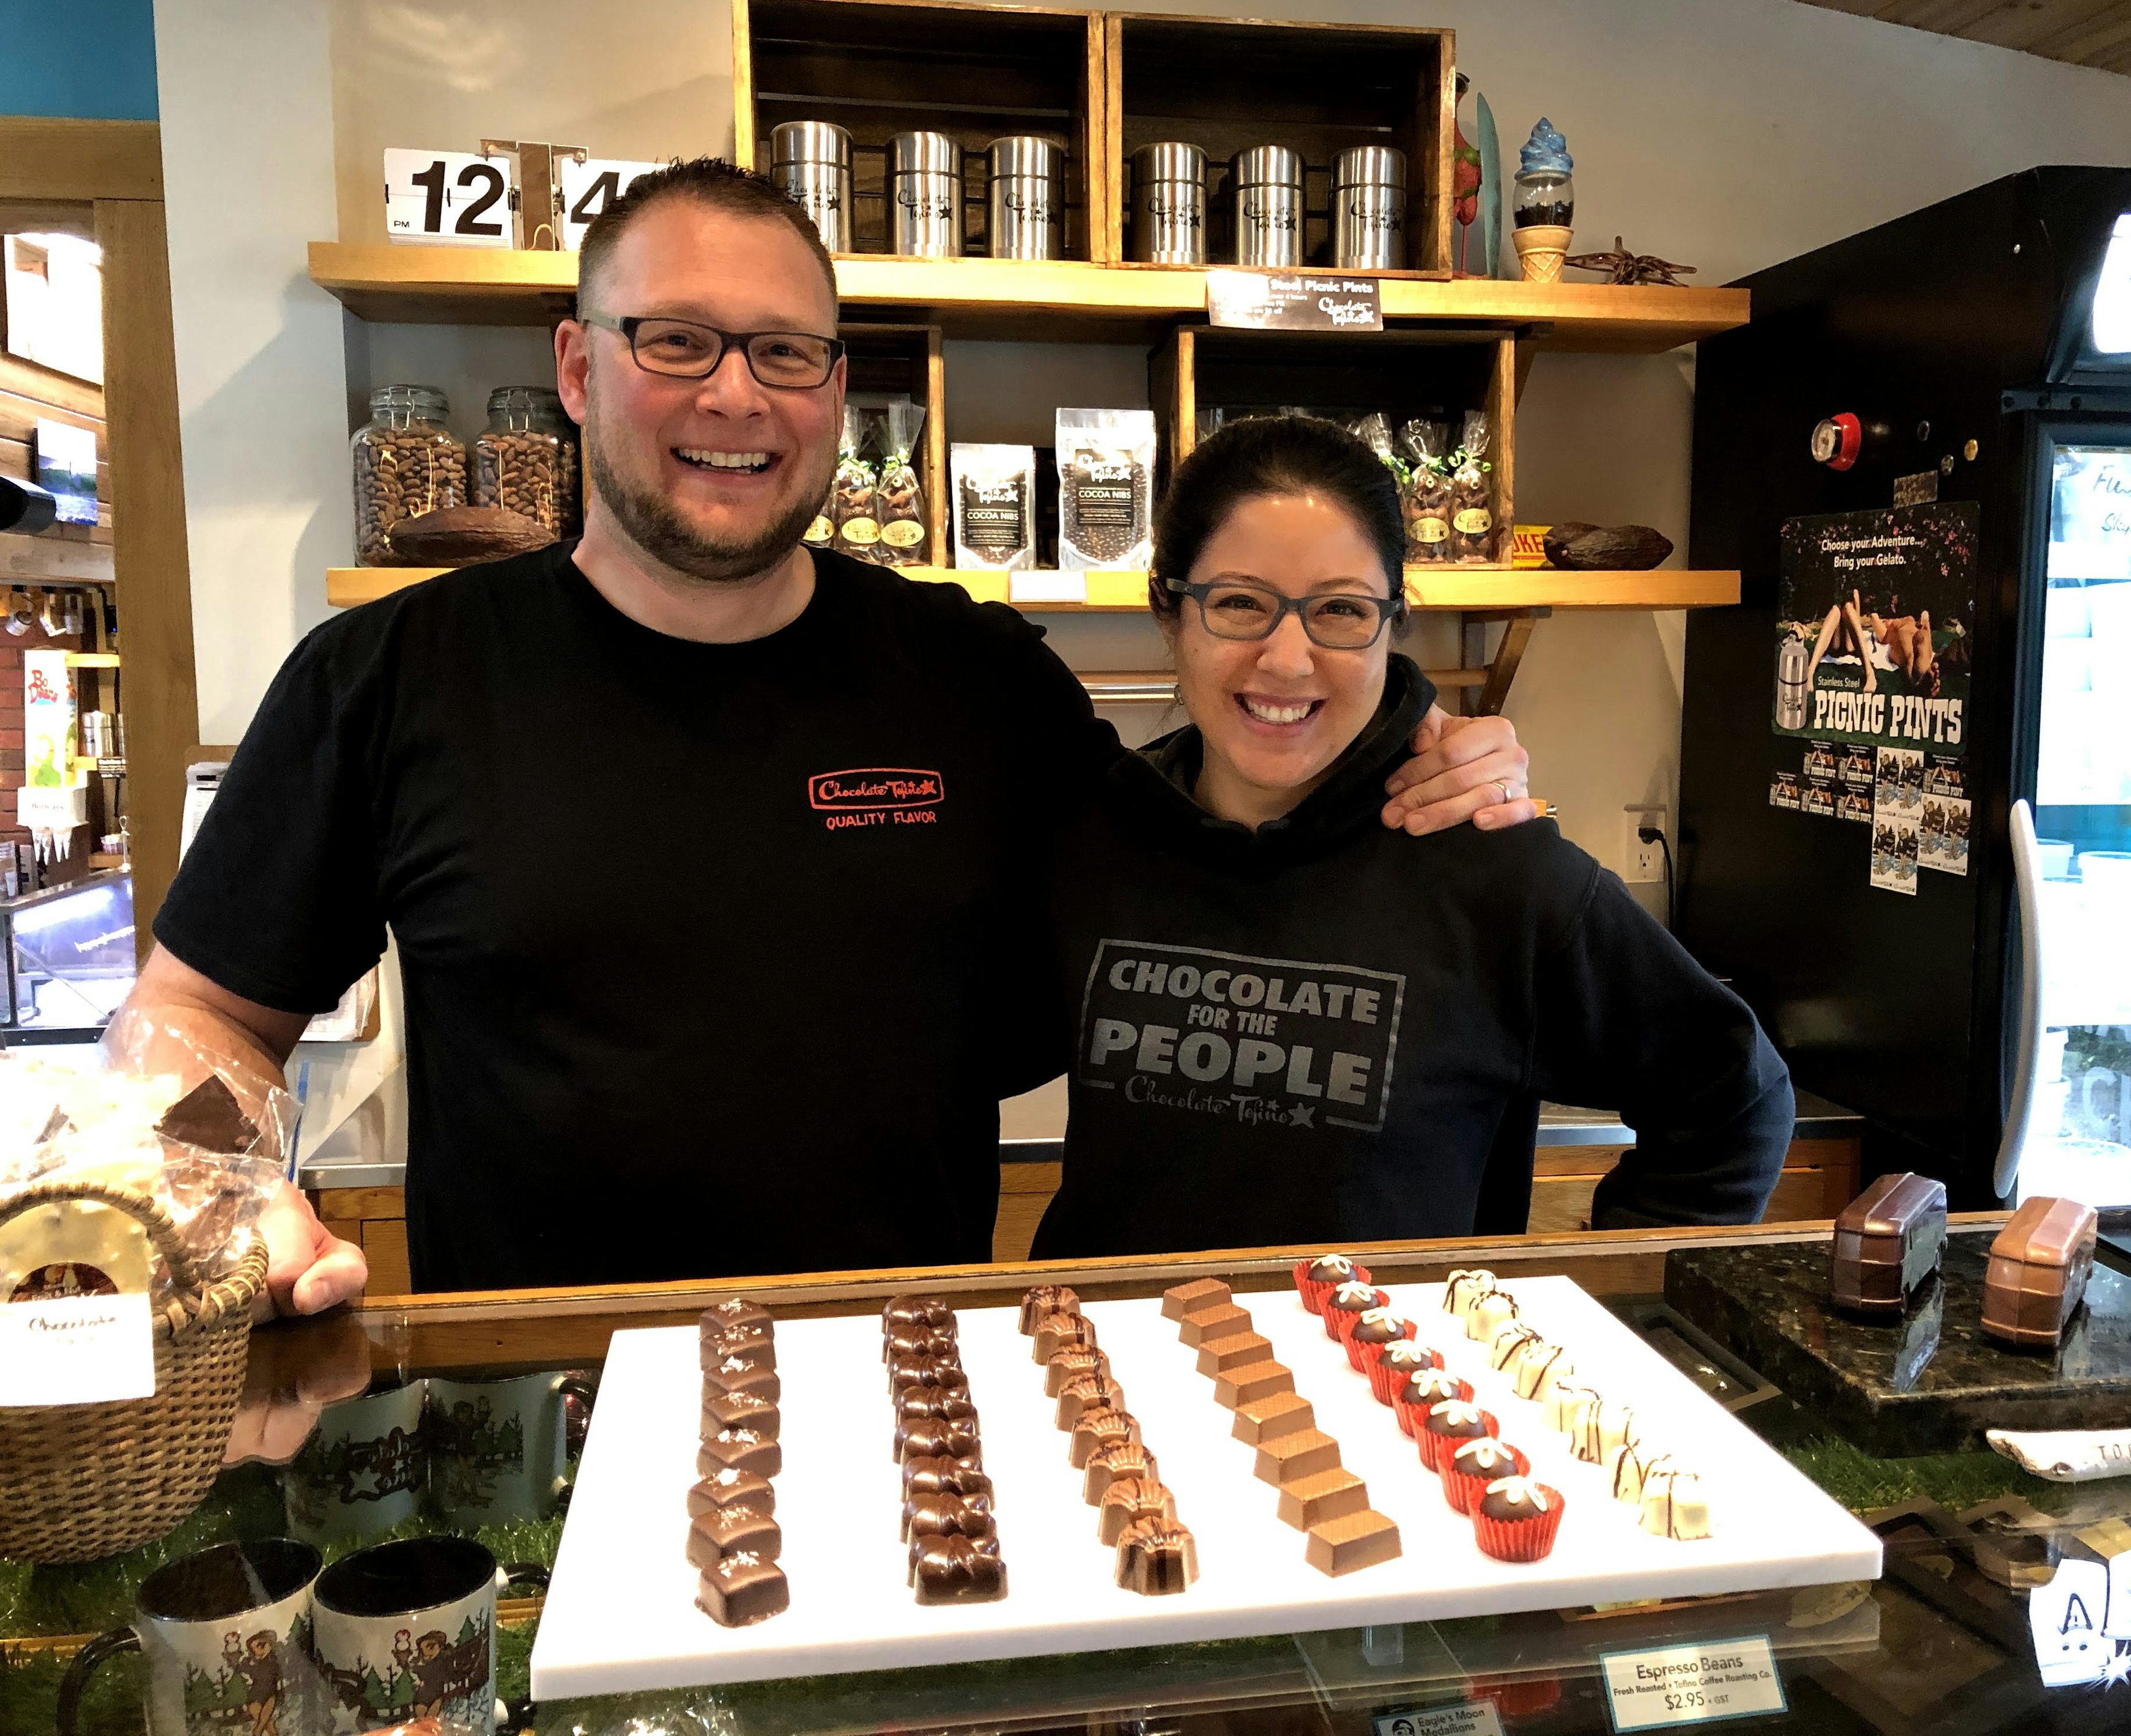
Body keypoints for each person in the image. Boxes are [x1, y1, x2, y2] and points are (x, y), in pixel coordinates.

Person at [117, 159, 1535, 1310]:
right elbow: (196, 1016)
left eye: (785, 353)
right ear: (574, 364)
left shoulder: (973, 675)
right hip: (549, 1420)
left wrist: (1420, 762)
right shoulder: (391, 676)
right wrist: (226, 1203)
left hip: (911, 1412)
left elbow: (1224, 851)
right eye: (676, 340)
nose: (735, 395)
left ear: (835, 390)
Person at [1028, 417, 1795, 1255]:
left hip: (1379, 1383)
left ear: (1392, 624)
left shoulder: (1496, 867)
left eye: (1341, 611)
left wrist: (1596, 1308)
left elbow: (1736, 1098)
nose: (1287, 660)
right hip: (1098, 1376)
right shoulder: (1092, 835)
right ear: (1170, 613)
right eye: (1240, 603)